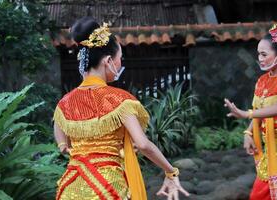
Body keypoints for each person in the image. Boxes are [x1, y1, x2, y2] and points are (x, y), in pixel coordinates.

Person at [53, 17, 189, 200]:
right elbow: (142, 144)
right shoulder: (119, 100)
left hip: (71, 187)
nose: (120, 64)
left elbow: (62, 144)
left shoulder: (65, 103)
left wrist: (74, 151)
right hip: (107, 187)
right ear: (108, 60)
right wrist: (171, 172)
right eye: (120, 59)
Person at [224, 22, 277, 200]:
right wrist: (248, 131)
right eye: (258, 54)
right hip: (271, 149)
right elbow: (260, 110)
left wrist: (247, 114)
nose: (260, 58)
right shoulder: (262, 80)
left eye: (264, 54)